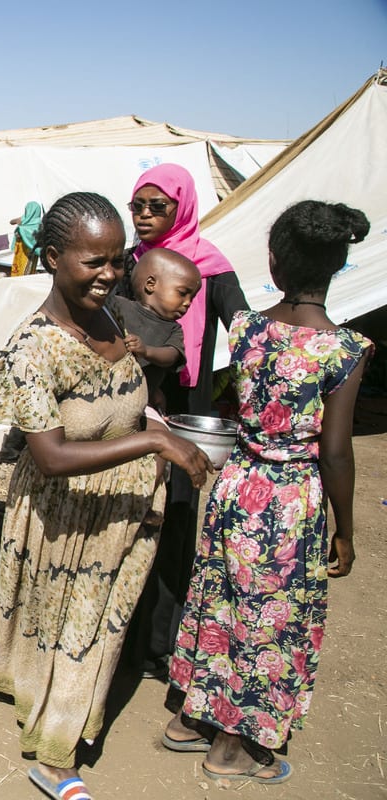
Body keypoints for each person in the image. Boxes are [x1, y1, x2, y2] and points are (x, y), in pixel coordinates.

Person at [0, 192, 210, 799]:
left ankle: (53, 712)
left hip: (122, 513)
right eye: (94, 262)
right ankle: (56, 759)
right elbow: (52, 457)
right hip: (68, 515)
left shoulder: (110, 318)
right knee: (76, 630)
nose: (111, 276)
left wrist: (156, 428)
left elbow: (122, 405)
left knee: (97, 631)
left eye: (118, 260)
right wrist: (154, 447)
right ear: (54, 257)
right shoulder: (33, 348)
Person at [162, 201, 373, 784]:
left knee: (220, 597)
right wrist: (345, 530)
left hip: (237, 485)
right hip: (287, 500)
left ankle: (189, 718)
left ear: (275, 263)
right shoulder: (345, 351)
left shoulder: (251, 328)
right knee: (268, 619)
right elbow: (334, 451)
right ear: (338, 268)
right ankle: (231, 746)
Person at [123, 163, 248, 681]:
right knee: (128, 517)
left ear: (183, 207)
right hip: (130, 412)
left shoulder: (209, 268)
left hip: (185, 413)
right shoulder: (129, 264)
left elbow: (245, 331)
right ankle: (123, 643)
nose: (146, 216)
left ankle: (158, 646)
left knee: (172, 524)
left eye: (159, 207)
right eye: (139, 206)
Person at [108, 248, 201, 411]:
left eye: (191, 298)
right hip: (105, 393)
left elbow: (171, 355)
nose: (187, 302)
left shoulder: (173, 329)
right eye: (182, 293)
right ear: (151, 285)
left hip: (141, 403)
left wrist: (146, 351)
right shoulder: (118, 306)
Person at [10, 201, 43, 276]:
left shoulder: (39, 224)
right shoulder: (24, 219)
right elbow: (11, 222)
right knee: (19, 267)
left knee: (26, 269)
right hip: (20, 251)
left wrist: (21, 229)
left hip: (29, 252)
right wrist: (17, 221)